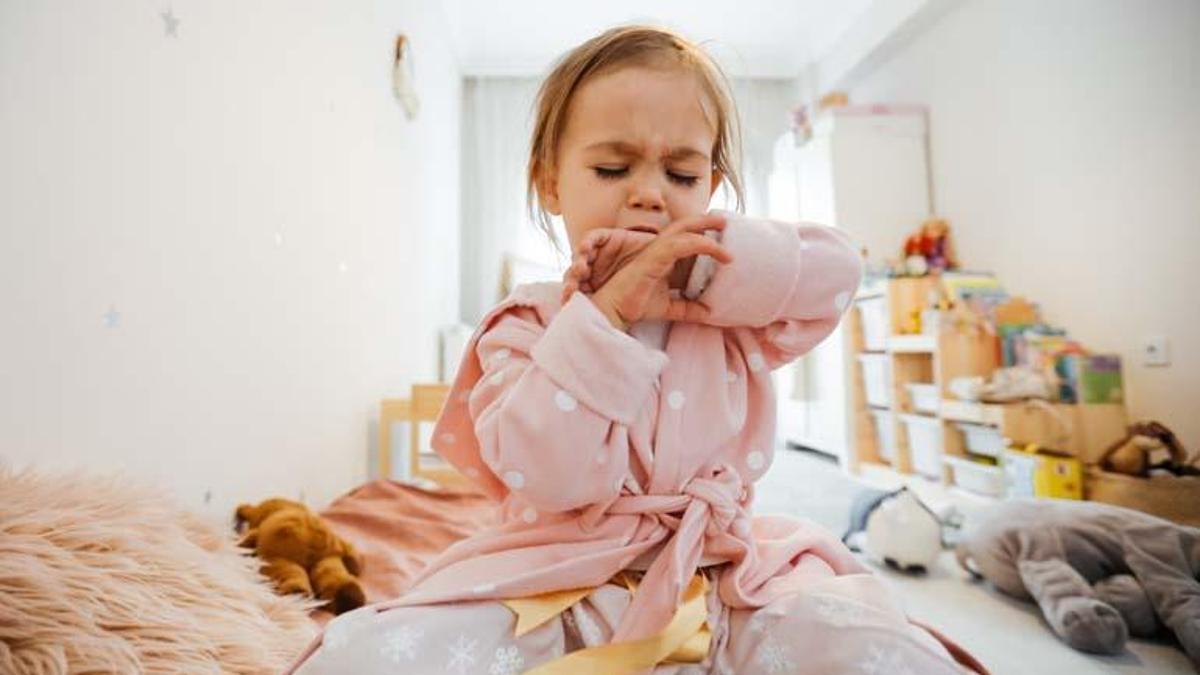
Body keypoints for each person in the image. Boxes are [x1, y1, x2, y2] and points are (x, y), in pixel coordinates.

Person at [289, 24, 981, 675]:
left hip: (723, 572)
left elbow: (838, 273)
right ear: (551, 183)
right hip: (558, 576)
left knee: (877, 646)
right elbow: (550, 473)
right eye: (614, 167)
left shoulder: (730, 306)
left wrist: (704, 271)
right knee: (376, 655)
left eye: (682, 177)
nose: (650, 195)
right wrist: (607, 315)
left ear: (712, 187)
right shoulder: (528, 319)